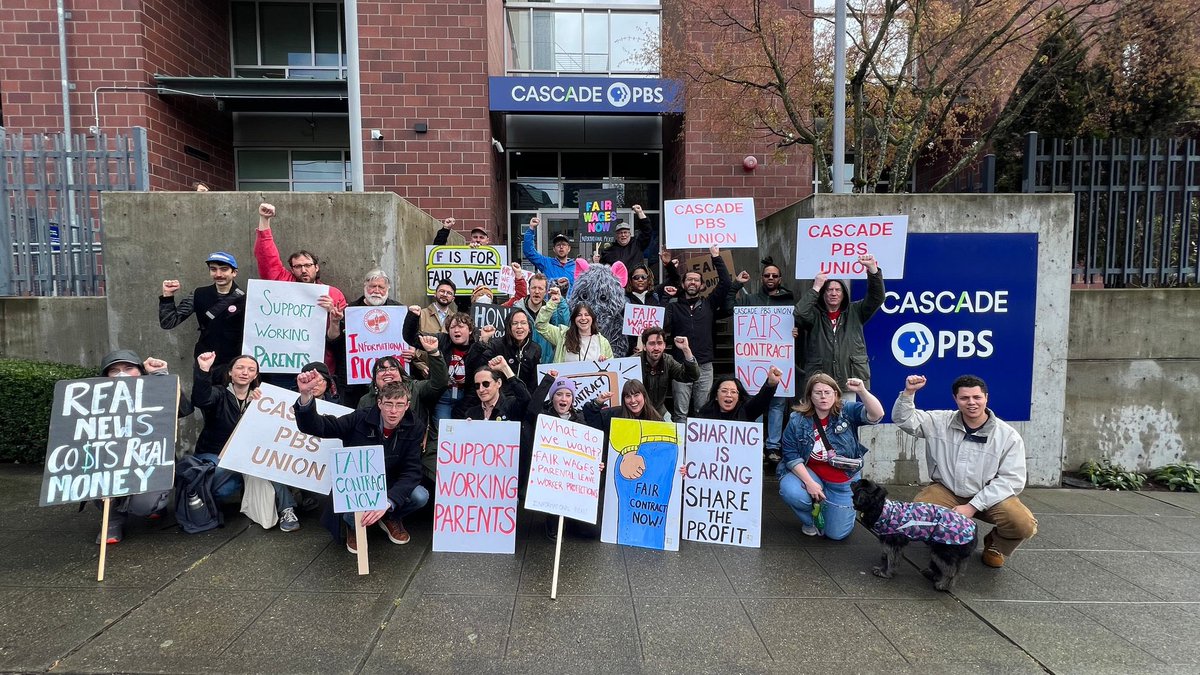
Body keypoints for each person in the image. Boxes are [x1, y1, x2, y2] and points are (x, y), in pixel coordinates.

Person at [293, 334, 445, 552]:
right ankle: (353, 527)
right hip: (359, 485)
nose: (393, 411)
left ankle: (390, 517)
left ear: (407, 405)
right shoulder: (360, 417)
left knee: (420, 495)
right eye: (389, 404)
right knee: (348, 511)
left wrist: (389, 501)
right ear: (379, 402)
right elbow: (320, 427)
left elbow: (412, 471)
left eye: (399, 405)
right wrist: (306, 397)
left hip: (391, 483)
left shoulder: (415, 426)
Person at [893, 374, 1038, 568]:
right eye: (964, 398)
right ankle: (945, 542)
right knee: (919, 513)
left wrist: (973, 506)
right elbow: (904, 419)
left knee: (1023, 524)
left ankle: (995, 544)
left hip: (990, 497)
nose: (971, 402)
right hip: (947, 490)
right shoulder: (938, 421)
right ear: (956, 399)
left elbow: (1012, 480)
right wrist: (909, 392)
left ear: (986, 397)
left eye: (977, 397)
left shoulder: (1008, 436)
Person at [92, 350, 192, 544]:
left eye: (129, 369)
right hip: (111, 461)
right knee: (100, 487)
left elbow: (183, 409)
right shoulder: (96, 399)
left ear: (139, 371)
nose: (122, 374)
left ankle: (156, 506)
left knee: (145, 505)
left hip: (148, 463)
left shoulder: (153, 390)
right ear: (106, 376)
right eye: (115, 370)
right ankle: (112, 521)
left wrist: (160, 378)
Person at [778, 374, 884, 540]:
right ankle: (810, 520)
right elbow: (790, 454)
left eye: (827, 392)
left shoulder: (846, 411)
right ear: (809, 396)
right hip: (812, 473)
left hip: (843, 481)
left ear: (835, 394)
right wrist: (809, 483)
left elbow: (876, 415)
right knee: (790, 490)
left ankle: (829, 508)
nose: (823, 397)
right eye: (817, 392)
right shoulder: (797, 420)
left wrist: (862, 391)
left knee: (836, 534)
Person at [253, 202, 348, 384]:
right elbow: (267, 258)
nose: (303, 270)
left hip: (319, 368)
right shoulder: (284, 283)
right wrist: (264, 220)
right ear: (292, 270)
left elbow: (340, 338)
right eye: (298, 266)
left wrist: (334, 315)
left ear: (316, 267)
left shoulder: (333, 294)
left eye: (307, 265)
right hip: (282, 366)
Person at [730, 257, 802, 462]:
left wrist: (797, 332)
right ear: (761, 278)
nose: (770, 278)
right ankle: (755, 444)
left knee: (778, 405)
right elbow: (728, 306)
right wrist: (736, 285)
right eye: (767, 275)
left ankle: (772, 447)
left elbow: (803, 323)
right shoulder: (750, 299)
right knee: (755, 404)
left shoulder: (789, 302)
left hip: (780, 361)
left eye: (774, 275)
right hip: (753, 362)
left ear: (780, 279)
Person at [794, 253, 884, 397]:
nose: (833, 293)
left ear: (844, 294)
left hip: (849, 381)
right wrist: (816, 287)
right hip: (821, 383)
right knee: (821, 418)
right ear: (823, 294)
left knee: (847, 418)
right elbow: (799, 313)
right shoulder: (815, 315)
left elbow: (877, 297)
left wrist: (873, 270)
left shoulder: (856, 311)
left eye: (838, 290)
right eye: (829, 290)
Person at [661, 244, 731, 423]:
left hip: (705, 366)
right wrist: (666, 298)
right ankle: (680, 448)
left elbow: (726, 283)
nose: (692, 282)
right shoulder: (673, 306)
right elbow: (660, 323)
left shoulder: (709, 304)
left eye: (696, 280)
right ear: (683, 284)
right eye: (689, 280)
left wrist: (715, 257)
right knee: (680, 413)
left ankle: (699, 450)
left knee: (702, 411)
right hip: (680, 365)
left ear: (701, 285)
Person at [326, 269, 413, 407]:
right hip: (353, 386)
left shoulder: (400, 311)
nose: (376, 290)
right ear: (365, 287)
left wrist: (412, 351)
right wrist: (335, 322)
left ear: (388, 289)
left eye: (381, 287)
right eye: (373, 286)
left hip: (390, 384)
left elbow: (411, 339)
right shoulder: (349, 310)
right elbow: (333, 342)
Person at [158, 251, 246, 372]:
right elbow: (168, 322)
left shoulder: (247, 298)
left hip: (236, 364)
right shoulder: (199, 294)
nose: (218, 274)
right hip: (205, 361)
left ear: (234, 272)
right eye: (213, 269)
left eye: (224, 269)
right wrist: (167, 296)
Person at [404, 307, 489, 421]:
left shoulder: (477, 347)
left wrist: (484, 341)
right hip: (443, 396)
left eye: (460, 326)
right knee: (444, 430)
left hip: (467, 396)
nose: (456, 330)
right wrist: (413, 317)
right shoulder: (441, 340)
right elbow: (411, 338)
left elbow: (476, 385)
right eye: (452, 327)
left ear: (470, 330)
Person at [536, 287, 613, 362]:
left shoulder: (603, 342)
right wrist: (552, 303)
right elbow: (541, 326)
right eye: (579, 315)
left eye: (587, 315)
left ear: (592, 318)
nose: (583, 318)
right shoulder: (562, 335)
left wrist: (605, 362)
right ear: (574, 319)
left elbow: (612, 368)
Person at [638, 327, 699, 419]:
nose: (656, 348)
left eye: (659, 343)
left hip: (659, 411)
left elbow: (692, 376)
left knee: (673, 432)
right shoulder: (634, 361)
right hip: (637, 412)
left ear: (664, 345)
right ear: (644, 347)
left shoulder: (668, 361)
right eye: (652, 344)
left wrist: (686, 349)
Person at [510, 272, 569, 364]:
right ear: (529, 289)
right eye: (534, 288)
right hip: (522, 364)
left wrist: (561, 301)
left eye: (540, 288)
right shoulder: (516, 310)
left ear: (546, 292)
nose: (536, 291)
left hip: (546, 363)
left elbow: (563, 329)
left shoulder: (552, 310)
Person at [480, 308, 541, 391]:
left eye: (523, 323)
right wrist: (482, 342)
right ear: (508, 327)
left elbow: (534, 382)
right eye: (515, 323)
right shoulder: (496, 345)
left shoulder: (535, 349)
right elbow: (478, 367)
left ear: (529, 328)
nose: (519, 327)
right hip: (501, 398)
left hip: (524, 397)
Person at [592, 204, 654, 282]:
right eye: (620, 233)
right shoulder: (608, 251)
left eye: (625, 232)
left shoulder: (638, 245)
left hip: (634, 286)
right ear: (616, 235)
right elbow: (603, 272)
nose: (623, 235)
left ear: (630, 234)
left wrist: (640, 212)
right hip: (616, 287)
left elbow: (647, 231)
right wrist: (596, 263)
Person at [697, 366, 782, 422]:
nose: (729, 395)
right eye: (724, 391)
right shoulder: (705, 414)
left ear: (738, 397)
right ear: (716, 396)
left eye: (733, 392)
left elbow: (761, 401)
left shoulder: (746, 410)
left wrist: (771, 384)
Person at [522, 216, 579, 296]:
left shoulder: (576, 267)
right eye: (558, 245)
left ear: (569, 248)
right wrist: (531, 229)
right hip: (551, 306)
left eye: (564, 245)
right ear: (554, 249)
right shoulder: (547, 263)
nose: (561, 247)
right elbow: (529, 252)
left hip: (569, 307)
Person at [461, 357, 530, 421]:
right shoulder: (471, 413)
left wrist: (505, 368)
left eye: (486, 384)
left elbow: (525, 399)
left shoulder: (511, 405)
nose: (481, 389)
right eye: (477, 385)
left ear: (499, 383)